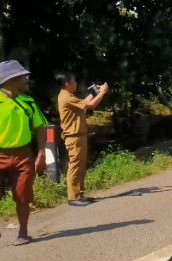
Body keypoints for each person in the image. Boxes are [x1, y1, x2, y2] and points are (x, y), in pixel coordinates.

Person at [0, 60, 47, 245]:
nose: (26, 79)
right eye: (22, 76)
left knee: (23, 195)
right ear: (11, 79)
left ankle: (23, 232)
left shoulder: (28, 101)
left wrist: (41, 153)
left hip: (23, 154)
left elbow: (41, 126)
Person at [56, 71, 109, 206]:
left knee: (80, 165)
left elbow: (85, 102)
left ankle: (80, 194)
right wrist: (102, 92)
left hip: (78, 136)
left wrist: (94, 92)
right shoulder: (66, 97)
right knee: (74, 166)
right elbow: (91, 105)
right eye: (74, 81)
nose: (76, 83)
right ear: (67, 83)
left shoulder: (68, 96)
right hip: (73, 137)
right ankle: (73, 197)